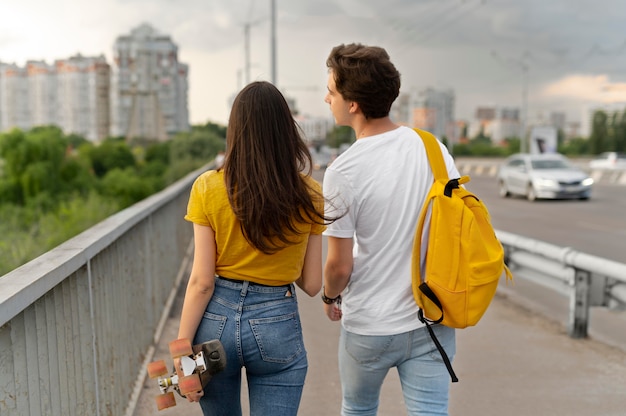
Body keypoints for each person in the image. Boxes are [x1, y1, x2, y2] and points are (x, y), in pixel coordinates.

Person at [177, 81, 334, 416]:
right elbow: (310, 284)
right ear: (285, 131)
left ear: (235, 130)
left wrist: (182, 355)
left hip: (214, 323)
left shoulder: (208, 187)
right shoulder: (310, 194)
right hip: (276, 321)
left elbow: (201, 282)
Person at [321, 43, 461, 416]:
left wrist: (329, 297)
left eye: (331, 92)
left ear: (353, 104)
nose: (326, 98)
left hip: (370, 324)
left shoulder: (342, 171)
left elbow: (338, 267)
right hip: (431, 315)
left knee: (359, 408)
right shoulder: (435, 149)